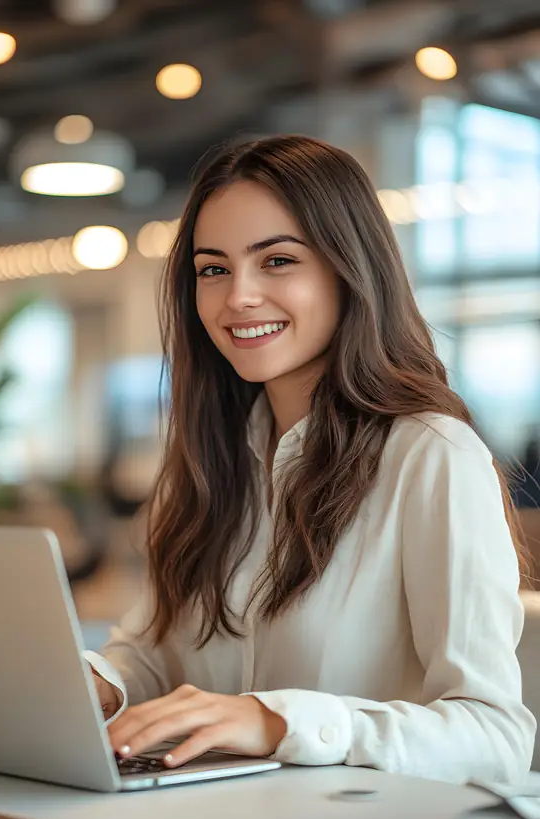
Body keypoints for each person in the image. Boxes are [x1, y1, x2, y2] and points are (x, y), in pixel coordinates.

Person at [87, 134, 535, 785]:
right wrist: (93, 683)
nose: (237, 295)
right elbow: (153, 657)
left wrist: (278, 721)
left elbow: (496, 735)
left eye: (277, 261)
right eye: (213, 268)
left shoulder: (431, 456)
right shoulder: (209, 458)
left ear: (347, 268)